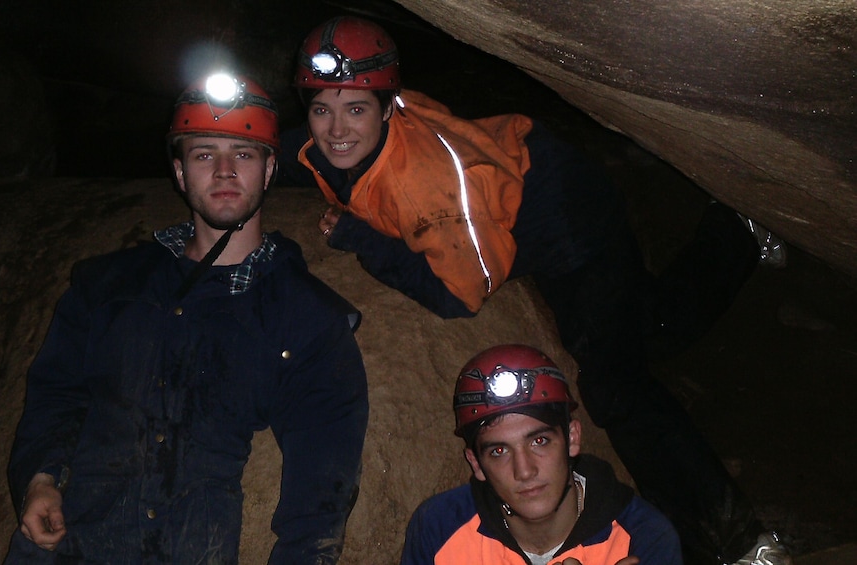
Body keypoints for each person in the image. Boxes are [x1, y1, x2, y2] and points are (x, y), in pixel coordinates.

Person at [280, 15, 791, 565]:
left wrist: (365, 240)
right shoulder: (338, 140)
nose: (335, 130)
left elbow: (460, 296)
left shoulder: (427, 188)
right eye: (321, 109)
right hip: (517, 184)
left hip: (565, 218)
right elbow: (275, 148)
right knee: (651, 326)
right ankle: (736, 233)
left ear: (389, 107)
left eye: (355, 109)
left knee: (615, 377)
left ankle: (736, 542)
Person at [4, 71, 369, 564]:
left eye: (243, 154)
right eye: (203, 155)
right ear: (179, 174)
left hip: (189, 546)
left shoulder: (306, 318)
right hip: (63, 545)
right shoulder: (107, 286)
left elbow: (324, 473)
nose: (223, 171)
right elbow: (57, 389)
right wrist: (40, 480)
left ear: (268, 171)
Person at [401, 343, 681, 565]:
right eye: (499, 451)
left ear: (572, 438)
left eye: (540, 441)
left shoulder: (644, 540)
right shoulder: (439, 528)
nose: (524, 471)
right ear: (476, 464)